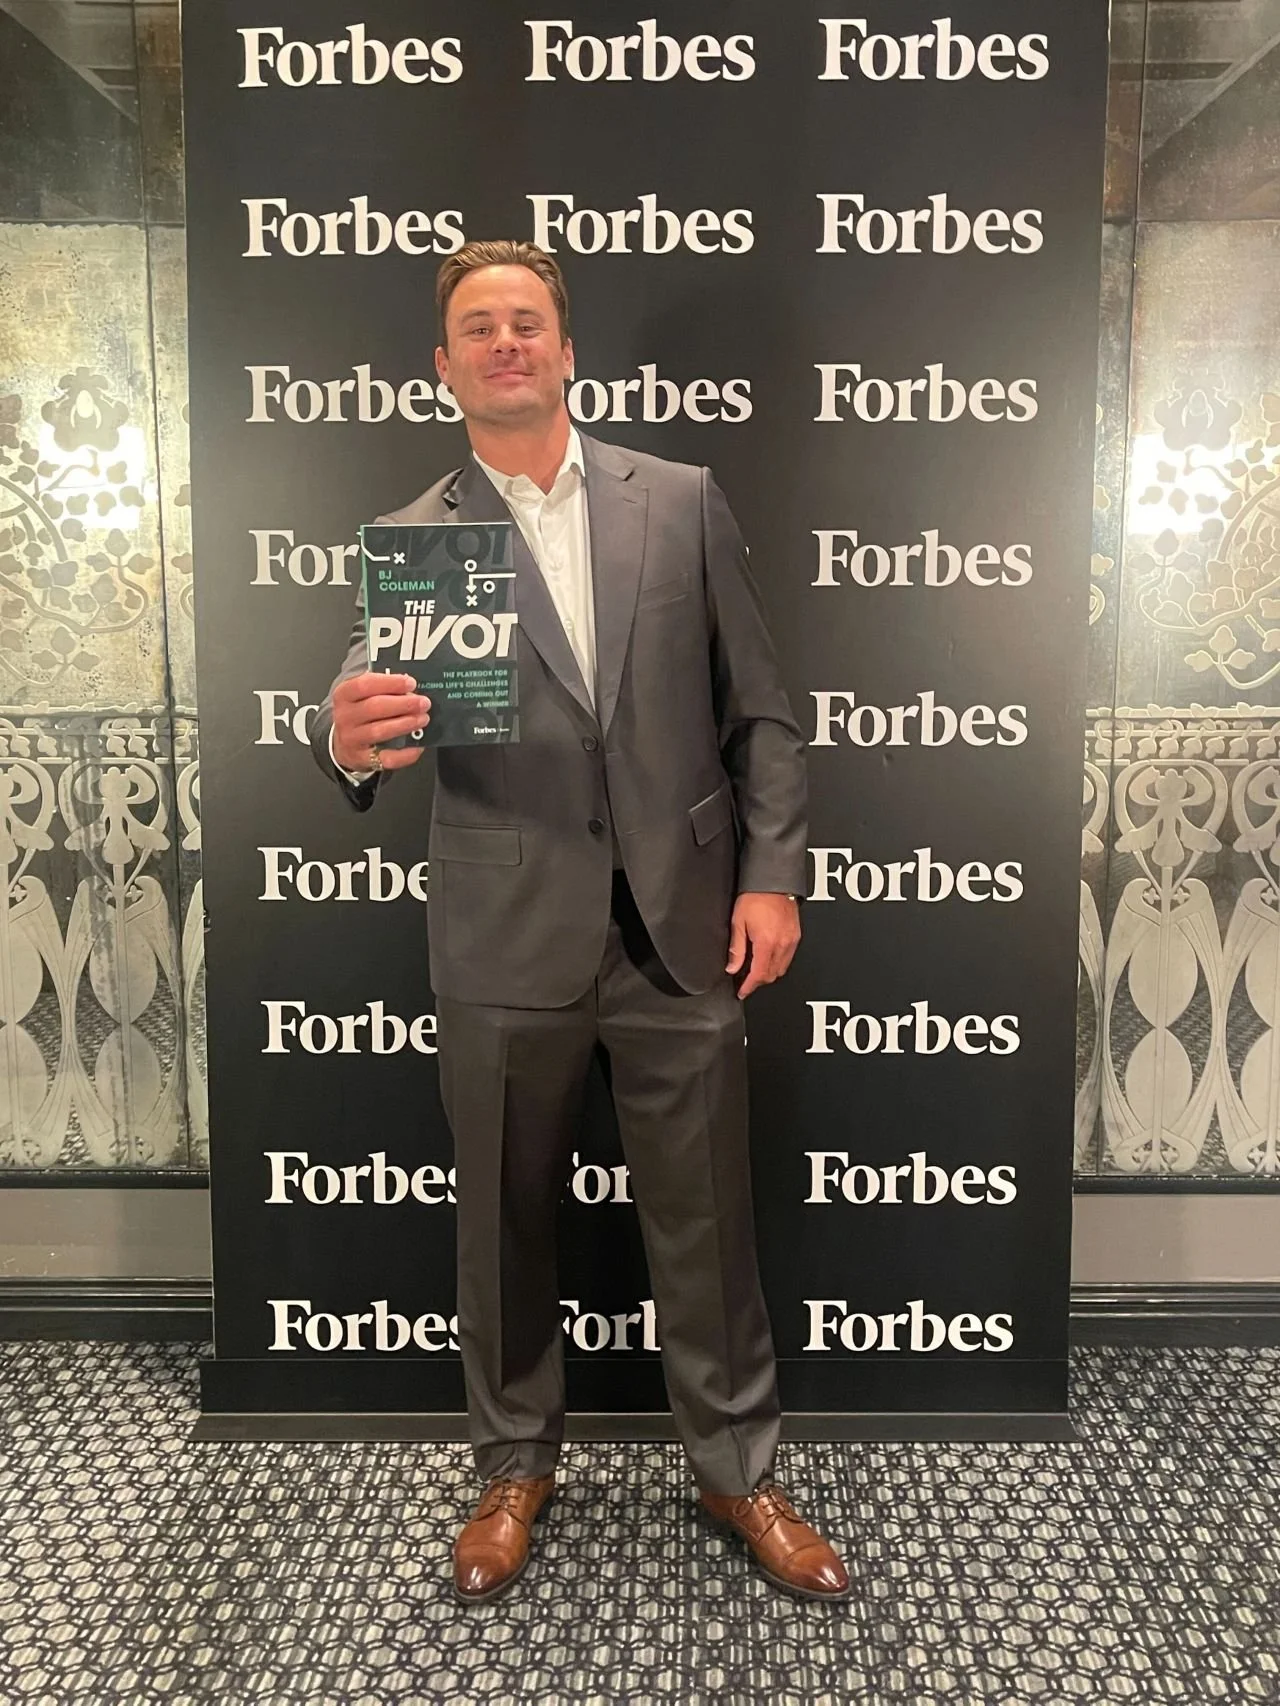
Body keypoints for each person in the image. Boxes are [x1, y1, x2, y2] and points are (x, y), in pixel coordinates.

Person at [312, 240, 849, 1605]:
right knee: (500, 1222)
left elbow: (762, 713)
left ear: (565, 349)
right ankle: (511, 1467)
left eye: (527, 322)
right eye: (477, 327)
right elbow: (378, 717)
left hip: (680, 930)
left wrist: (772, 869)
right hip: (504, 935)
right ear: (441, 367)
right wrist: (349, 741)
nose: (505, 342)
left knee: (710, 1225)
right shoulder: (424, 541)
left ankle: (737, 1467)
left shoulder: (677, 501)